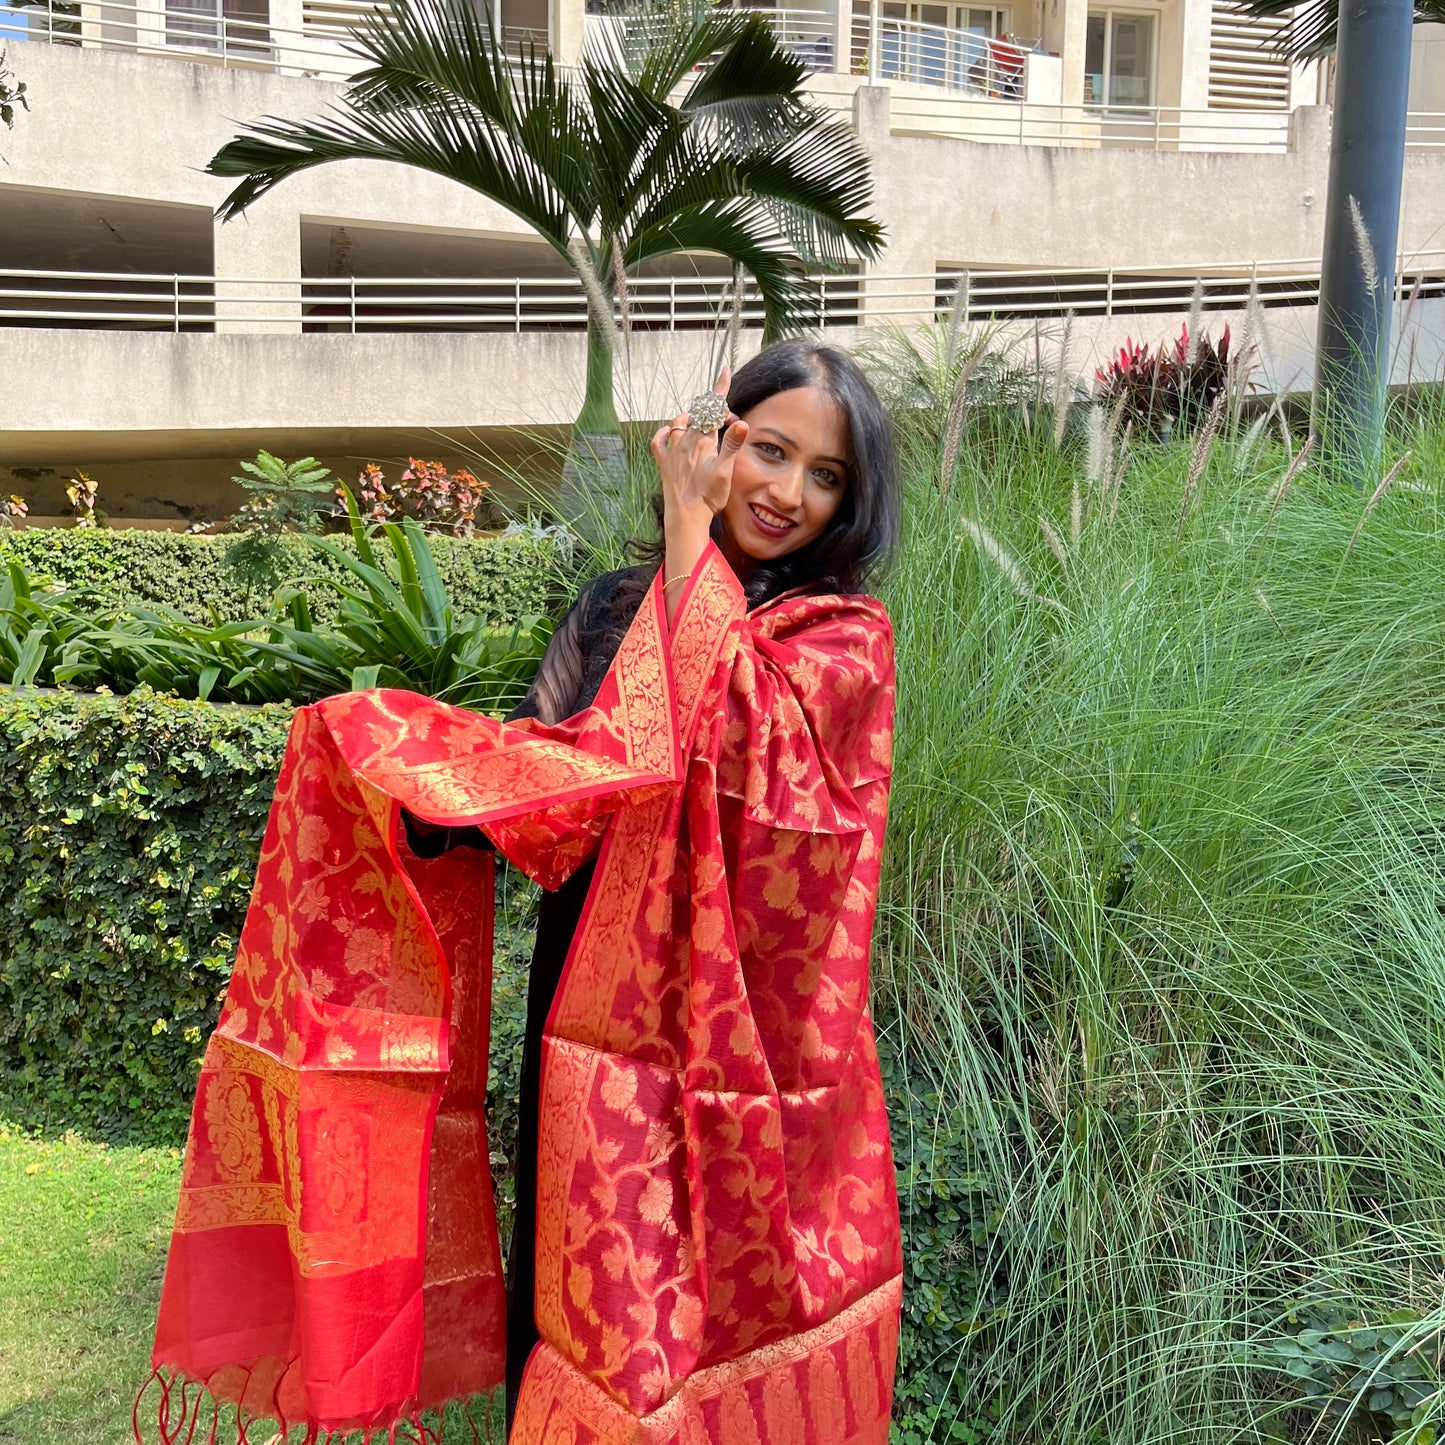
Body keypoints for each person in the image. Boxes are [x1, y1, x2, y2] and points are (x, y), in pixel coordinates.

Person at [146, 338, 906, 1445]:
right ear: (713, 439)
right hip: (591, 1009)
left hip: (752, 1048)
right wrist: (422, 790)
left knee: (706, 1314)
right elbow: (555, 771)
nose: (786, 490)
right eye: (766, 449)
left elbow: (741, 741)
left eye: (823, 472)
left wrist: (690, 531)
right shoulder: (611, 606)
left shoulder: (841, 639)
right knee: (584, 1284)